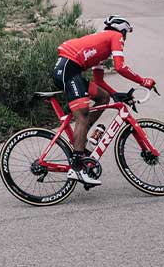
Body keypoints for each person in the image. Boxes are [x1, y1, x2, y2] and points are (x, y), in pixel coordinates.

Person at [52, 15, 156, 186]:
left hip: (68, 69)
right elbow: (120, 66)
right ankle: (77, 168)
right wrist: (143, 81)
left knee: (103, 97)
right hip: (69, 70)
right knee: (82, 116)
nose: (125, 38)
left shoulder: (101, 43)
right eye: (126, 34)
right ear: (122, 30)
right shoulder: (115, 37)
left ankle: (81, 140)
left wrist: (116, 94)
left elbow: (99, 81)